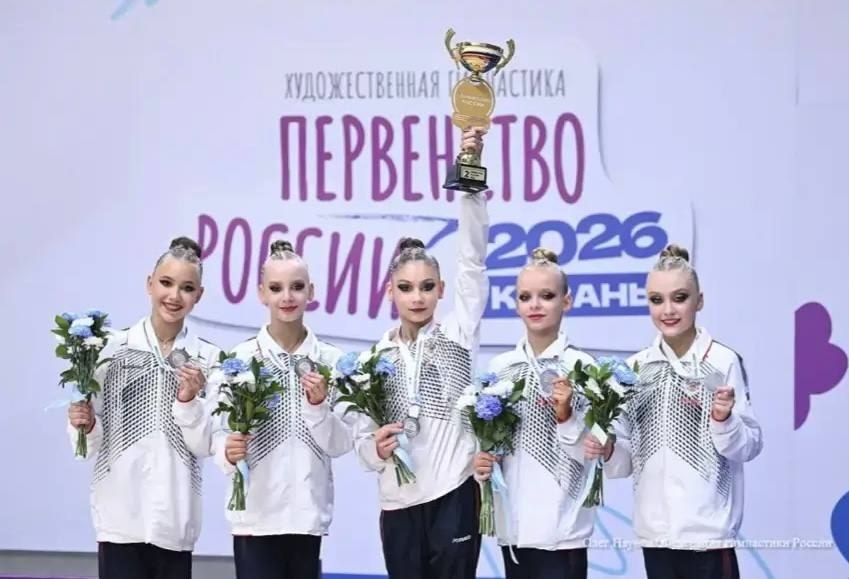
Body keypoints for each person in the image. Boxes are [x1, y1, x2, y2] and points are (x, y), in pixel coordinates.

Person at [352, 127, 491, 579]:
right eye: (407, 288)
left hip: (455, 492)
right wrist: (375, 449)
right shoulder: (375, 360)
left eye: (427, 287)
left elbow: (473, 260)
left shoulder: (458, 333)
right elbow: (362, 442)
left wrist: (470, 179)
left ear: (441, 290)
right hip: (398, 503)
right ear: (390, 291)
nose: (417, 297)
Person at [175, 240, 349, 579]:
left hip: (306, 518)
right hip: (254, 518)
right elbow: (215, 436)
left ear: (311, 291)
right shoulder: (238, 361)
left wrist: (318, 407)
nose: (287, 297)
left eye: (297, 287)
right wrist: (228, 452)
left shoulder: (330, 362)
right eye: (276, 288)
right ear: (261, 293)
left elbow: (341, 444)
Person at [590, 244, 764, 579]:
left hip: (708, 538)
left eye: (679, 298)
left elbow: (749, 446)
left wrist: (724, 420)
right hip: (655, 537)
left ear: (699, 300)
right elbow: (625, 462)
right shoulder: (634, 369)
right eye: (657, 300)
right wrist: (608, 449)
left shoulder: (723, 361)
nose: (668, 310)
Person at [67, 236, 221, 579]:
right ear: (149, 284)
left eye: (186, 288)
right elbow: (86, 447)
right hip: (119, 517)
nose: (174, 295)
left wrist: (189, 400)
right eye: (166, 283)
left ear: (199, 295)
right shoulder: (109, 350)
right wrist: (85, 424)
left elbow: (205, 445)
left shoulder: (209, 359)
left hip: (175, 518)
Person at [472, 247, 597, 579]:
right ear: (516, 304)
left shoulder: (583, 367)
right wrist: (484, 461)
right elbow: (494, 444)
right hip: (514, 530)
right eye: (525, 297)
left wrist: (566, 417)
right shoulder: (500, 368)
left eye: (547, 296)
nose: (535, 305)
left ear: (566, 301)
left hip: (563, 532)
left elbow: (593, 455)